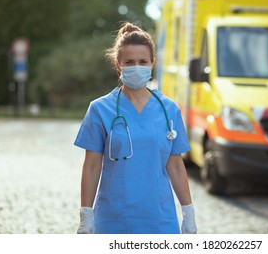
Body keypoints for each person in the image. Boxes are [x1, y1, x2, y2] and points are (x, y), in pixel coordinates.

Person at [74, 22, 197, 234]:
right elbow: (92, 166)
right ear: (118, 65)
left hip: (160, 219)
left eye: (143, 61)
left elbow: (175, 165)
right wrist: (86, 213)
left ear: (152, 63)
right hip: (113, 218)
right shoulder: (100, 109)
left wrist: (188, 212)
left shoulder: (169, 110)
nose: (136, 67)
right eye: (129, 62)